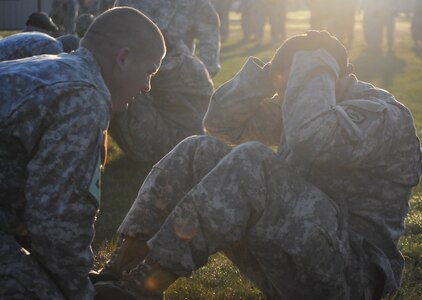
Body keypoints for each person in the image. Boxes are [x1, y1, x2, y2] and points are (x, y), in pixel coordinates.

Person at [92, 31, 422, 299]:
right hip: (301, 256)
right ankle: (122, 268)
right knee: (199, 150)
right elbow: (219, 123)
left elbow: (311, 139)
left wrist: (314, 62)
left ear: (325, 74)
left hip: (352, 276)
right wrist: (266, 79)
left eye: (300, 80)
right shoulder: (306, 107)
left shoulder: (383, 117)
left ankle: (146, 286)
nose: (290, 92)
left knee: (254, 162)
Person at [0, 7, 165, 300]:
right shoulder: (84, 97)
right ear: (123, 58)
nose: (147, 86)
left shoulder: (57, 67)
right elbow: (56, 225)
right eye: (149, 71)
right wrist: (81, 291)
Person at [108, 39, 214, 164]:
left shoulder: (169, 67)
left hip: (166, 150)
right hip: (189, 143)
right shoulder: (191, 61)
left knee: (118, 83)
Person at [114, 0, 221, 77]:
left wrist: (204, 72)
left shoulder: (194, 3)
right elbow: (104, 25)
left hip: (176, 80)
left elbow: (209, 32)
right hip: (129, 75)